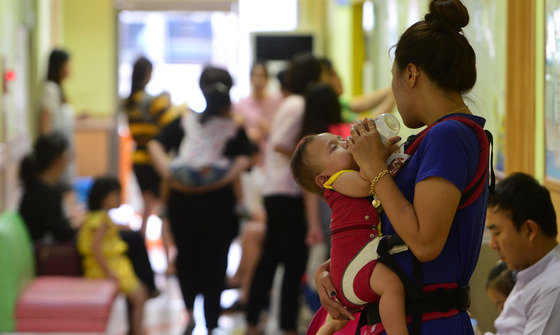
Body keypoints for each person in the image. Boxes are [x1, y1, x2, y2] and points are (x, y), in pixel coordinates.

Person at [314, 0, 491, 333]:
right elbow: (397, 235)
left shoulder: (449, 135)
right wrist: (337, 267)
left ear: (411, 74)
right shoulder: (433, 137)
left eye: (393, 78)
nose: (394, 89)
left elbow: (425, 243)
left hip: (428, 321)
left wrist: (374, 166)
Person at [147, 66, 252, 335]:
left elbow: (155, 144)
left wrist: (172, 176)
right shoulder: (227, 124)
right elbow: (247, 156)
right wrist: (222, 179)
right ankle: (209, 319)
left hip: (192, 203)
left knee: (190, 259)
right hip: (214, 204)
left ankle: (195, 315)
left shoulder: (188, 120)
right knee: (213, 261)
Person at [291, 133, 407, 334]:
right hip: (355, 264)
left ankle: (326, 329)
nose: (345, 143)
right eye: (334, 148)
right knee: (391, 285)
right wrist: (372, 157)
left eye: (340, 139)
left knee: (339, 320)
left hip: (351, 264)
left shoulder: (344, 181)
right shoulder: (337, 181)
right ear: (323, 179)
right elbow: (367, 181)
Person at [18, 133, 158, 297]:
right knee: (131, 240)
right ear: (56, 160)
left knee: (129, 237)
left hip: (56, 243)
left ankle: (142, 290)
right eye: (65, 155)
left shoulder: (45, 187)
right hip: (54, 251)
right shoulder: (42, 193)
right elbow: (62, 233)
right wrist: (81, 222)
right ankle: (144, 290)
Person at [245, 52, 324, 335]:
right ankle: (286, 325)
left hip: (276, 188)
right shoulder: (299, 103)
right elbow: (279, 143)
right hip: (285, 191)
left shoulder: (291, 102)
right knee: (292, 261)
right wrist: (310, 158)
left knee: (272, 258)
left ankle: (255, 321)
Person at [485, 173, 560, 334]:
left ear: (529, 230)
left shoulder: (553, 288)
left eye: (497, 233)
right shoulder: (528, 272)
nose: (492, 244)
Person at [77, 176, 147, 335]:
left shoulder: (98, 218)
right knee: (139, 295)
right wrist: (108, 271)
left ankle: (136, 329)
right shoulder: (101, 220)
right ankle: (137, 330)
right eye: (115, 194)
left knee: (139, 295)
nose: (118, 198)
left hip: (109, 265)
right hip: (107, 267)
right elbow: (95, 247)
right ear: (103, 198)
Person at [124, 56, 176, 253]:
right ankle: (167, 253)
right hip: (153, 160)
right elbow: (168, 120)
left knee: (146, 208)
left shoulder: (128, 101)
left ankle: (141, 249)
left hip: (137, 158)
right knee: (163, 208)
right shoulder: (151, 101)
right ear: (146, 74)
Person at [39, 49, 77, 185]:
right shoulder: (50, 89)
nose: (70, 69)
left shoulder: (59, 89)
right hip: (56, 153)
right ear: (59, 67)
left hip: (63, 149)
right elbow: (46, 123)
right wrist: (51, 155)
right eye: (67, 65)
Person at [319, 57, 395, 123]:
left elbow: (363, 103)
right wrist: (396, 90)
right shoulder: (330, 111)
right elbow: (371, 125)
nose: (339, 78)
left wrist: (395, 88)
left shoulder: (339, 103)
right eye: (333, 74)